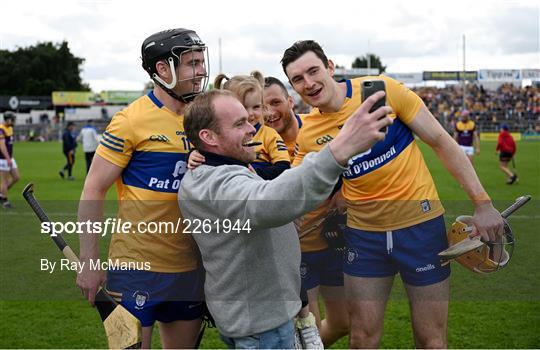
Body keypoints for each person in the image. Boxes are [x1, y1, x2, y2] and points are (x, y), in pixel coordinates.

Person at [281, 40, 505, 348]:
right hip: (363, 237)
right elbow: (297, 188)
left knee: (431, 341)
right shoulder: (308, 133)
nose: (308, 83)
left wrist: (482, 203)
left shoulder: (383, 91)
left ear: (330, 67)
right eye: (297, 79)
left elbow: (440, 140)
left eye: (312, 71)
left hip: (421, 229)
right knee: (361, 338)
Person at [179, 89, 391, 349]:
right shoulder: (214, 181)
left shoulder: (222, 168)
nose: (252, 128)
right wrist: (339, 149)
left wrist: (284, 219)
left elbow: (257, 207)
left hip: (260, 318)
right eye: (239, 123)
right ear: (208, 137)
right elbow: (264, 201)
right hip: (262, 327)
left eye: (248, 119)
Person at [76, 28, 209, 349]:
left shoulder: (204, 117)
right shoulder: (130, 121)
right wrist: (89, 262)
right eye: (192, 63)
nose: (202, 70)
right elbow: (93, 188)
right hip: (135, 269)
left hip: (190, 270)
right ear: (163, 70)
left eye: (202, 61)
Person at [264, 77, 350, 347]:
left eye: (275, 102)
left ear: (290, 101)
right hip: (293, 251)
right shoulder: (255, 145)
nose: (269, 112)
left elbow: (355, 161)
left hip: (331, 242)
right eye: (261, 105)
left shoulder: (316, 128)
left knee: (343, 323)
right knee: (305, 331)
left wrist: (343, 192)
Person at [190, 72, 291, 180]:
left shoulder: (269, 134)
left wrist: (257, 173)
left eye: (256, 107)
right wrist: (192, 155)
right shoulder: (220, 132)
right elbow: (208, 152)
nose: (249, 114)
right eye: (243, 107)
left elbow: (284, 167)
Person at [0, 113, 20, 209]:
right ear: (7, 120)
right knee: (5, 181)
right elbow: (2, 145)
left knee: (16, 177)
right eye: (12, 120)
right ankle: (4, 200)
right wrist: (8, 158)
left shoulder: (10, 128)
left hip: (10, 158)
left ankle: (1, 193)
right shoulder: (1, 129)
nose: (14, 121)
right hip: (3, 159)